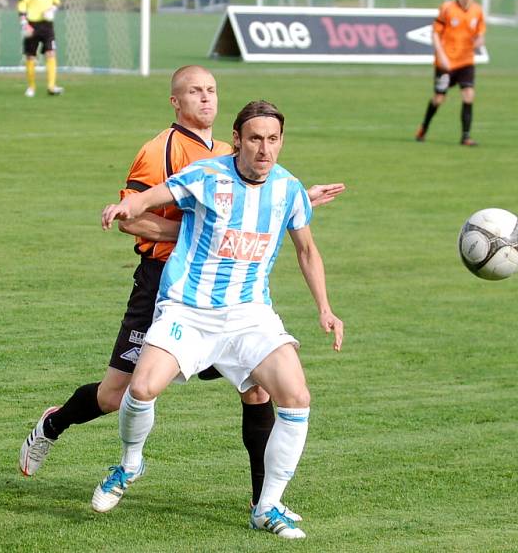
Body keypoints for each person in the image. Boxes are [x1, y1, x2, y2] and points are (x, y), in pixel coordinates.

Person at [19, 66, 343, 518]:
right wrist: (198, 229)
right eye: (195, 92)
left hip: (228, 295)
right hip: (164, 282)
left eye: (212, 90)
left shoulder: (232, 150)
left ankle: (262, 500)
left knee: (258, 390)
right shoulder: (159, 150)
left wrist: (296, 199)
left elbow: (252, 201)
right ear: (176, 100)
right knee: (120, 395)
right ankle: (55, 424)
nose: (206, 99)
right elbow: (132, 217)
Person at [92, 100, 343, 540]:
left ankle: (266, 507)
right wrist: (128, 207)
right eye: (255, 139)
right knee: (143, 388)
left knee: (297, 398)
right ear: (239, 139)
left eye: (273, 139)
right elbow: (158, 194)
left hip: (249, 317)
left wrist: (325, 307)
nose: (264, 149)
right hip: (187, 310)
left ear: (281, 141)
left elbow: (307, 250)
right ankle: (130, 465)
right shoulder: (208, 175)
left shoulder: (288, 189)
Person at [415, 0, 486, 147]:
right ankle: (424, 127)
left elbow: (481, 32)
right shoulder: (447, 8)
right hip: (445, 62)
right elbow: (435, 34)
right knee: (439, 98)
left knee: (468, 94)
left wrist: (480, 41)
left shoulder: (477, 11)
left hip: (466, 61)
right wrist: (442, 56)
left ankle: (465, 137)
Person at [18, 0, 63, 97]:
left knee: (51, 53)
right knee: (30, 57)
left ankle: (51, 86)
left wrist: (52, 10)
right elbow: (22, 4)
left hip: (47, 25)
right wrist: (24, 23)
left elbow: (56, 2)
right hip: (32, 24)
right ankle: (31, 87)